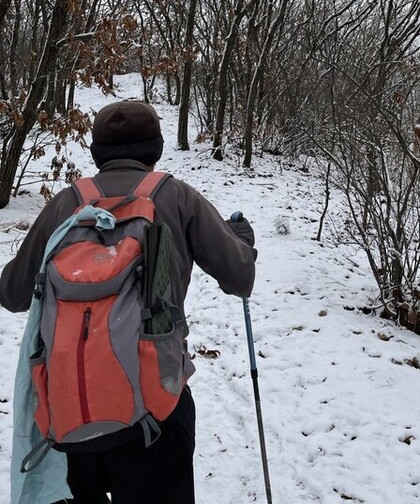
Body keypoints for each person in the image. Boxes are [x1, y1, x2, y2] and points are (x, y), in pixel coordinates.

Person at [0, 99, 257, 504]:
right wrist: (241, 241)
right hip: (156, 412)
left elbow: (11, 293)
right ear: (155, 149)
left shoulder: (67, 204)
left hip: (70, 415)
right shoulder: (176, 197)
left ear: (95, 153)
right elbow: (239, 278)